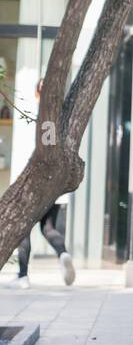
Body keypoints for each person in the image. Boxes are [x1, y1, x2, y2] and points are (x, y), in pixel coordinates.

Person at [4, 80, 76, 289]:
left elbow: (26, 151)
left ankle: (23, 275)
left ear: (37, 94)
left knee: (22, 228)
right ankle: (63, 253)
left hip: (32, 185)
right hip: (54, 186)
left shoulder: (35, 116)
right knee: (49, 228)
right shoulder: (60, 120)